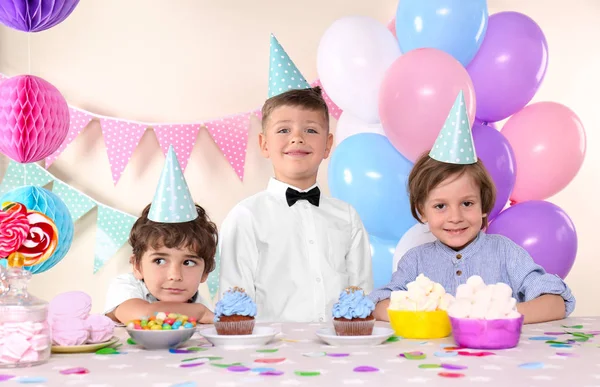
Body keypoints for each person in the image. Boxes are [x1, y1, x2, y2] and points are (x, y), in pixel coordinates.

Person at [368, 92, 575, 324]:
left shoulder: (505, 253)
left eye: (467, 203)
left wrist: (501, 314)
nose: (455, 217)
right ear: (422, 210)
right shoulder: (416, 261)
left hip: (496, 358)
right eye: (440, 206)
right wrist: (428, 317)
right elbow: (379, 305)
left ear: (483, 205)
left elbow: (556, 302)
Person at [219, 53, 373, 322]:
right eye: (283, 130)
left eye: (311, 130)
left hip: (339, 349)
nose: (298, 138)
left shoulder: (347, 217)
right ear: (264, 144)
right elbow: (235, 300)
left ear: (327, 145)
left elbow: (360, 291)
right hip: (271, 351)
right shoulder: (246, 217)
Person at [105, 146, 216, 325]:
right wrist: (200, 313)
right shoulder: (127, 287)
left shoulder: (196, 300)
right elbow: (141, 316)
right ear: (137, 266)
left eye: (188, 262)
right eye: (159, 261)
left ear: (205, 272)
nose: (175, 275)